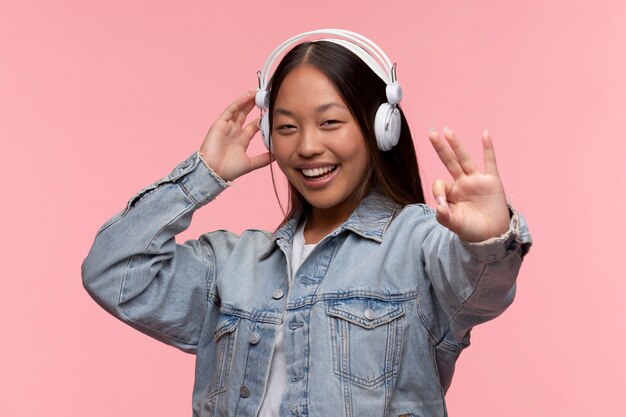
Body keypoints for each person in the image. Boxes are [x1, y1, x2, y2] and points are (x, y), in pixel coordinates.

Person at [82, 29, 531, 417]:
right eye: (287, 127)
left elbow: (483, 288)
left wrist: (490, 238)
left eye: (330, 122)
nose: (308, 146)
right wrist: (203, 175)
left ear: (382, 128)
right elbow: (113, 271)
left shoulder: (418, 243)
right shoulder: (232, 266)